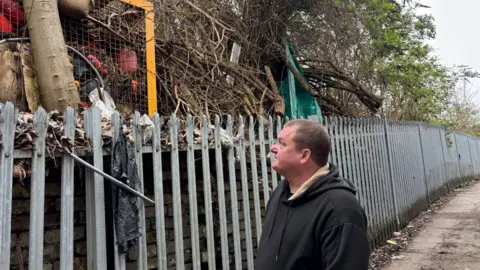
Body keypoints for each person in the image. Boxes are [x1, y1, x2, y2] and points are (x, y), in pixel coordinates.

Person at [254, 119, 370, 270]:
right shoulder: (281, 192)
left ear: (304, 155)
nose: (273, 148)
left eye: (282, 144)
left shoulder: (340, 209)